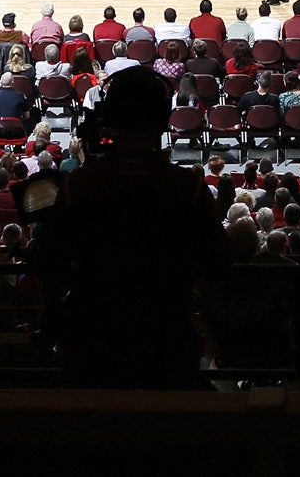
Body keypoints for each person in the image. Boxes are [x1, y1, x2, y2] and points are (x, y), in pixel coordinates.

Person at [28, 70, 228, 388]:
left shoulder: (80, 183)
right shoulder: (188, 186)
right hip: (166, 339)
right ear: (163, 120)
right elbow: (217, 265)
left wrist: (55, 316)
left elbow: (50, 263)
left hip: (93, 338)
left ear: (109, 118)